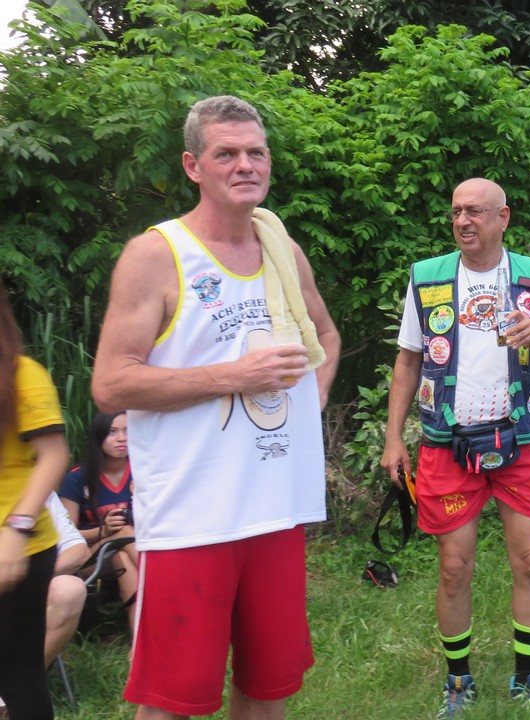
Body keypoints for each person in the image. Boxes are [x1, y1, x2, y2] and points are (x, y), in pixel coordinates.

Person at [92, 95, 340, 720]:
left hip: (277, 508)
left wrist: (308, 404)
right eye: (226, 153)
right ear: (192, 166)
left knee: (268, 689)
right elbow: (112, 383)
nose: (245, 165)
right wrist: (234, 377)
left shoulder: (280, 248)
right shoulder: (156, 254)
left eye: (256, 152)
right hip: (193, 518)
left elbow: (325, 336)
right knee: (173, 701)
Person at [379, 177, 530, 716]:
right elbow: (408, 360)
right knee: (453, 566)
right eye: (456, 212)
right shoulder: (428, 277)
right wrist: (393, 437)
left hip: (521, 439)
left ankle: (526, 679)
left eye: (475, 212)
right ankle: (458, 682)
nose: (463, 221)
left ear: (502, 217)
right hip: (448, 443)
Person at [0, 276, 71, 720]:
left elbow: (54, 455)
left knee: (18, 674)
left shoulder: (23, 375)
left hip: (17, 547)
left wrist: (15, 530)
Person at [58, 411, 138, 632]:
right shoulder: (78, 478)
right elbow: (66, 534)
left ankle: (139, 639)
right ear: (98, 436)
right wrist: (103, 531)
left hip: (134, 550)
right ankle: (167, 584)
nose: (122, 438)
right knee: (123, 532)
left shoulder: (144, 471)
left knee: (123, 557)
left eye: (128, 431)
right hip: (89, 557)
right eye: (112, 432)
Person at [44, 493, 89, 669]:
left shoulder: (39, 490)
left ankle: (24, 677)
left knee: (70, 590)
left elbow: (78, 550)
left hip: (31, 585)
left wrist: (34, 577)